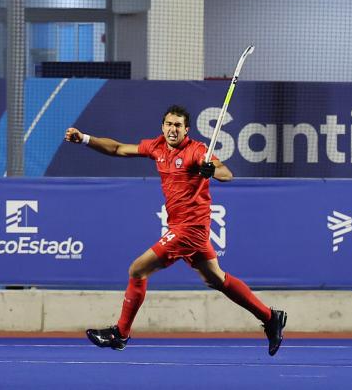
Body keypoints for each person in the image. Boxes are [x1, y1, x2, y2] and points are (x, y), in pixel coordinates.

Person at [64, 105, 287, 356]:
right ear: (162, 127)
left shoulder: (197, 151)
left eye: (178, 125)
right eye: (169, 124)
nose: (173, 129)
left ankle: (121, 333)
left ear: (186, 130)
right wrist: (84, 138)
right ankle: (270, 317)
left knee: (138, 269)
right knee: (215, 278)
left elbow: (227, 174)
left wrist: (211, 170)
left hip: (189, 228)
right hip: (184, 227)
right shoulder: (156, 147)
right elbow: (117, 148)